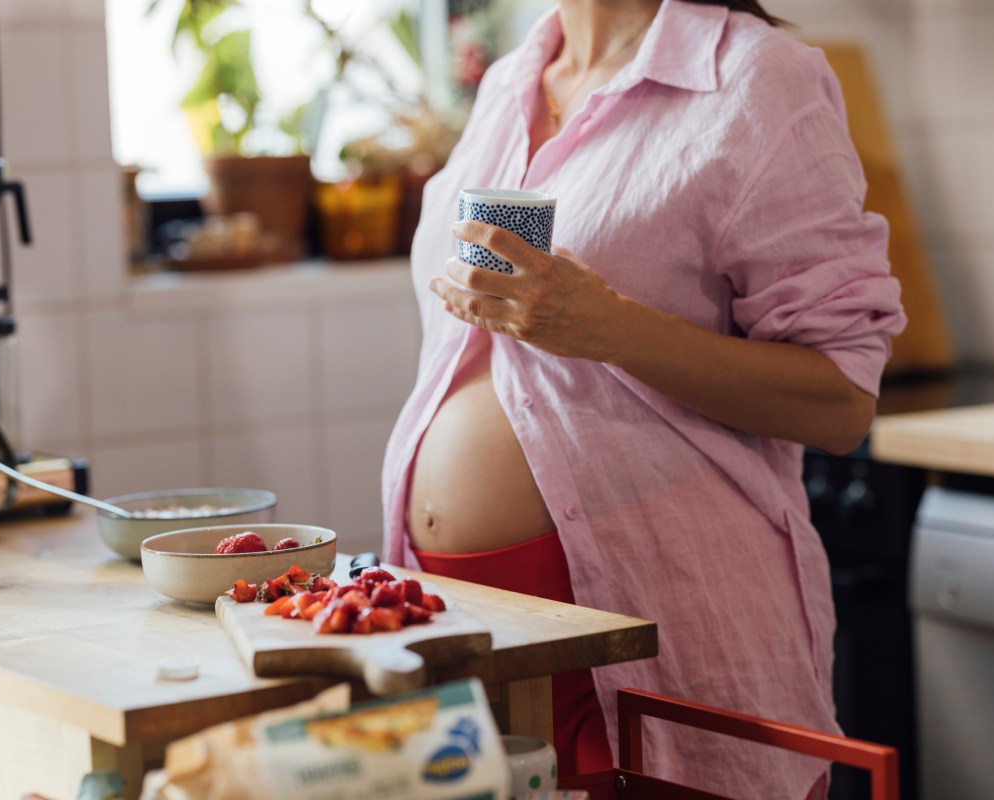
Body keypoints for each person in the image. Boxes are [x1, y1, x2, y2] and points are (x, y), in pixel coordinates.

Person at [380, 0, 906, 797]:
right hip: (467, 634)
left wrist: (608, 327)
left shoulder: (754, 79)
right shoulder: (513, 78)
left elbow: (840, 400)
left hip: (654, 636)